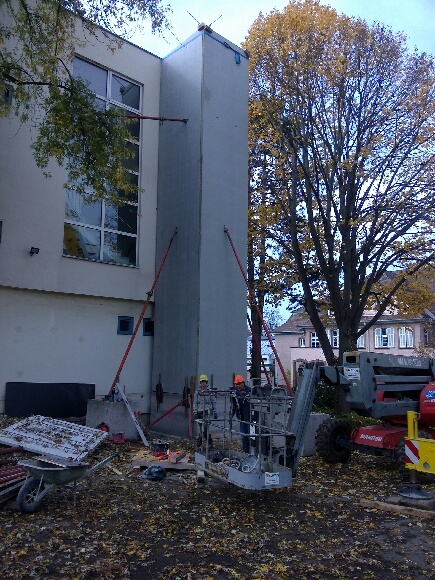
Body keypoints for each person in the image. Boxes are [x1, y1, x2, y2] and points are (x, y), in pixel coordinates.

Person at [193, 374, 218, 449]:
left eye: (204, 381)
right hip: (199, 411)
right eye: (201, 381)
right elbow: (195, 403)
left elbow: (214, 402)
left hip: (207, 411)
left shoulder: (210, 391)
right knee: (200, 429)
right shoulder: (197, 392)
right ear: (200, 383)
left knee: (206, 427)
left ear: (206, 382)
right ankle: (199, 443)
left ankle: (208, 443)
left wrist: (215, 411)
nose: (203, 383)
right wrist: (195, 412)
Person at [230, 375, 252, 454]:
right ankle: (246, 453)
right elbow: (234, 406)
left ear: (243, 383)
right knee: (243, 437)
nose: (238, 386)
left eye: (239, 384)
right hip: (242, 418)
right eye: (236, 384)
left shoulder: (250, 391)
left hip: (250, 419)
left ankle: (253, 454)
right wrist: (231, 416)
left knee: (251, 437)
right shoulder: (235, 394)